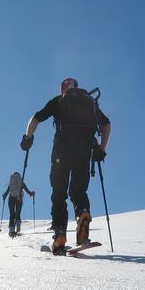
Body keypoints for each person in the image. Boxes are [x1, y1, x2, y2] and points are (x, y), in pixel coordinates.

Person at [20, 78, 111, 254]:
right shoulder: (90, 102)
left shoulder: (59, 100)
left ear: (63, 88)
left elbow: (36, 118)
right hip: (84, 151)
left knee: (59, 192)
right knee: (78, 191)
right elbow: (107, 124)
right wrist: (101, 148)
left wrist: (27, 137)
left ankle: (60, 234)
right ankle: (82, 217)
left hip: (61, 151)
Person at [1, 171, 35, 237]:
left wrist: (4, 196)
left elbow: (6, 192)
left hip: (11, 198)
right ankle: (18, 226)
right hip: (19, 198)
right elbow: (28, 191)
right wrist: (32, 193)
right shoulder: (21, 182)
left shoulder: (11, 183)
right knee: (18, 213)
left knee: (12, 213)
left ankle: (11, 229)